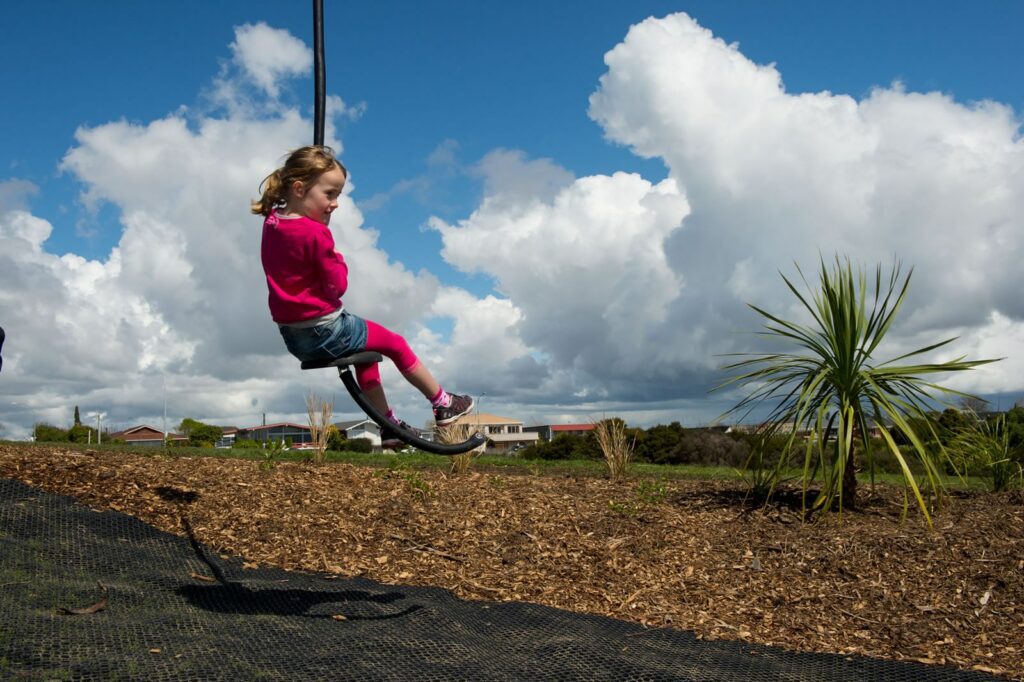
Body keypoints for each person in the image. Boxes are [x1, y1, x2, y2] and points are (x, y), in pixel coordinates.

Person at [252, 146, 473, 446]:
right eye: (330, 194)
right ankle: (443, 402)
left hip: (293, 337)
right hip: (327, 330)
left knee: (368, 355)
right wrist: (335, 254)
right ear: (299, 188)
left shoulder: (272, 222)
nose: (335, 203)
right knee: (395, 343)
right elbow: (337, 286)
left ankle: (388, 425)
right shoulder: (316, 234)